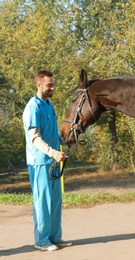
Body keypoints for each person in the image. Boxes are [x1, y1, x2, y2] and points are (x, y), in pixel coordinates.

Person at [22, 70, 72, 251]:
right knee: (42, 202)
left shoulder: (49, 105)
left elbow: (52, 133)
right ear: (38, 85)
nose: (52, 88)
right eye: (49, 85)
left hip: (53, 161)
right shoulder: (32, 107)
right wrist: (53, 153)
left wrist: (65, 140)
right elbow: (35, 138)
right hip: (39, 162)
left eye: (53, 84)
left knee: (56, 201)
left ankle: (54, 237)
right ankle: (41, 241)